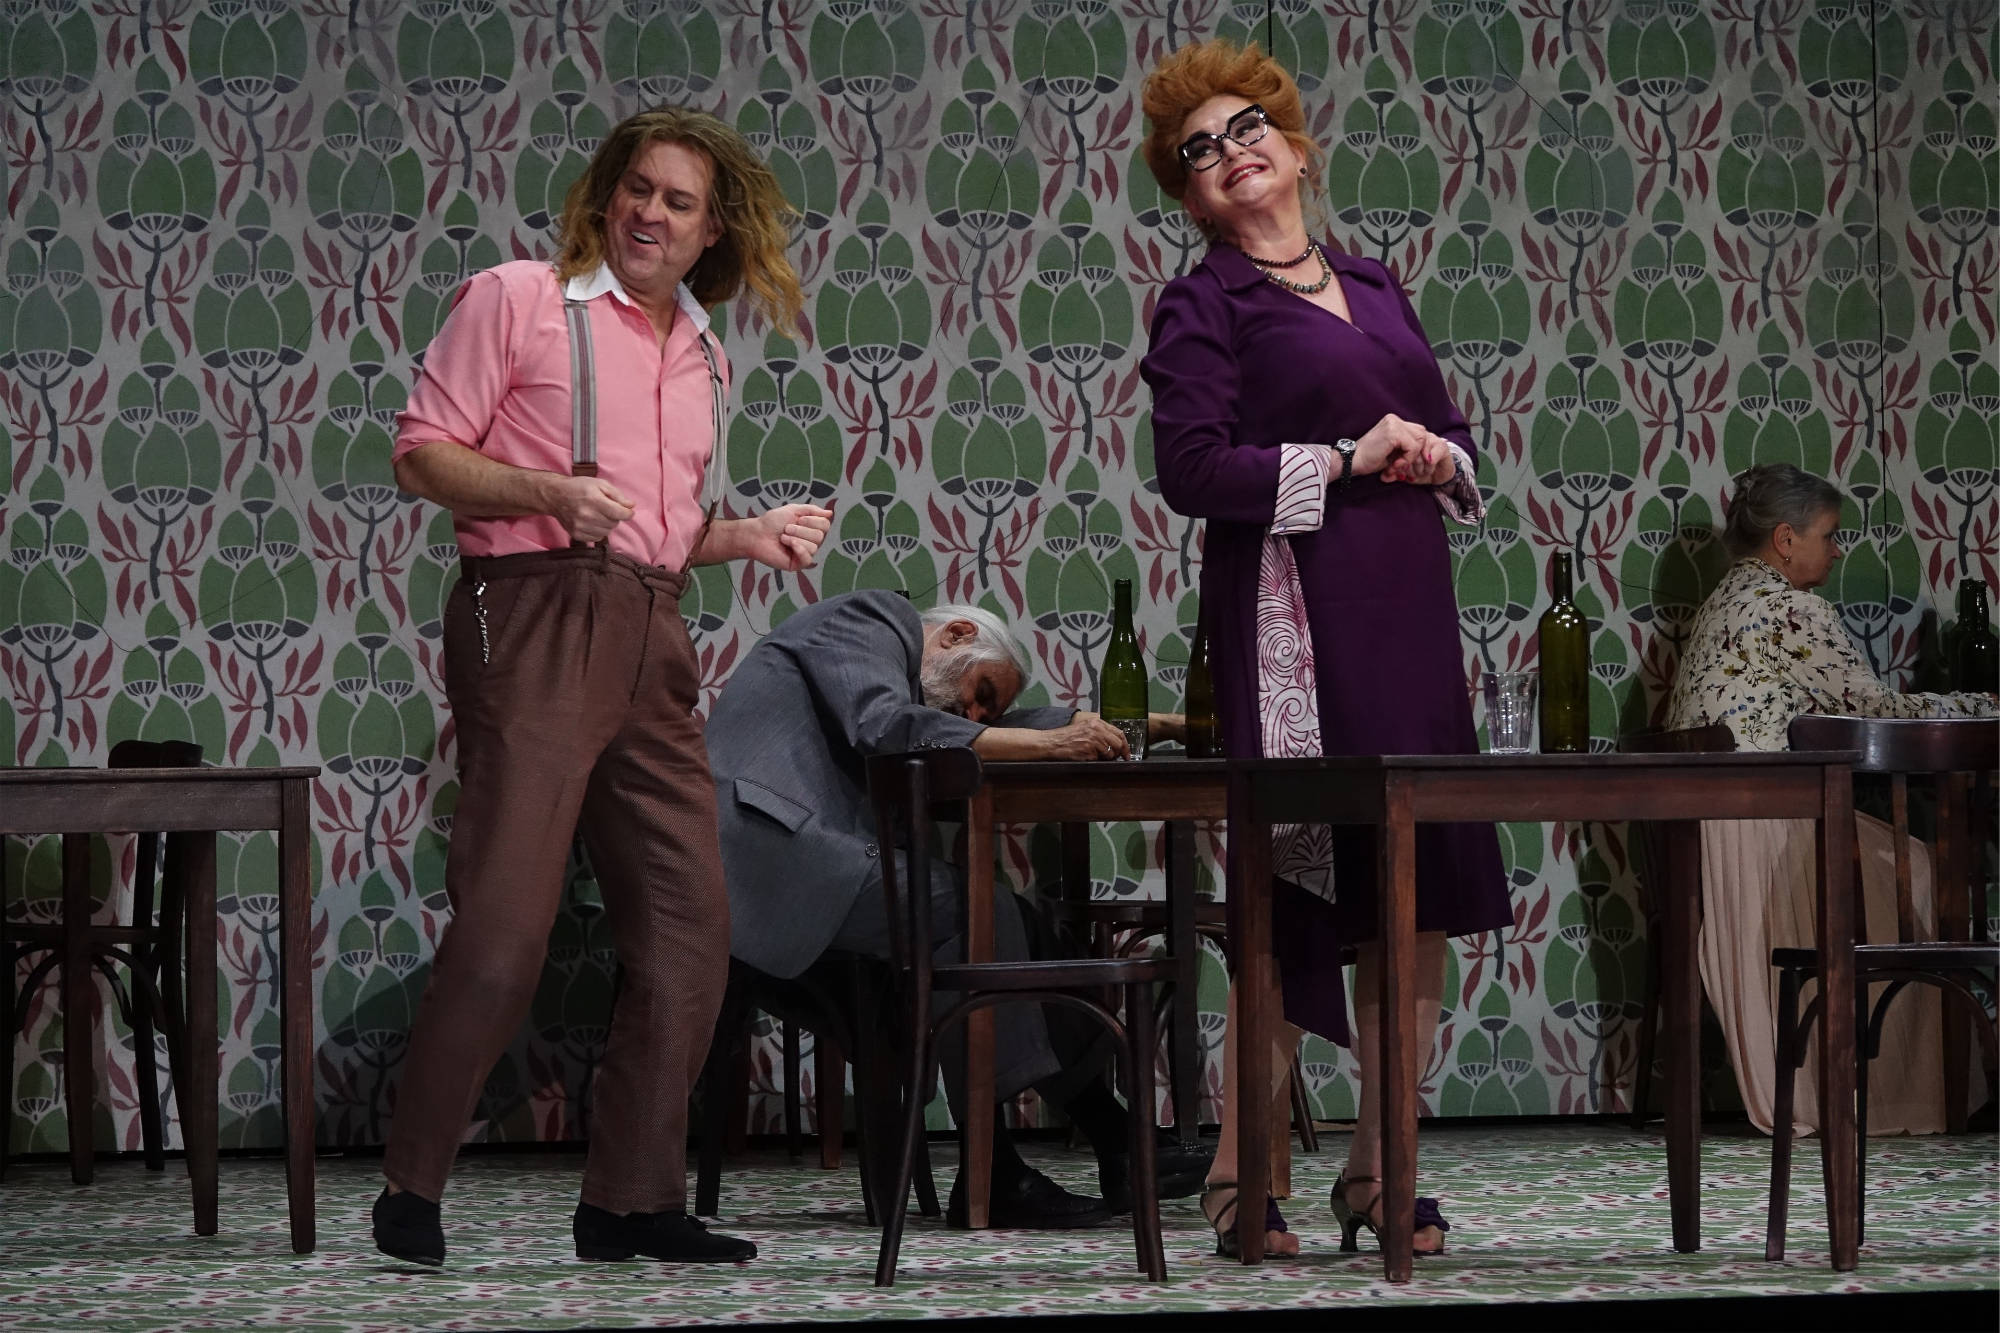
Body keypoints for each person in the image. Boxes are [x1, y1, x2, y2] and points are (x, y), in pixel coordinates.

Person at [375, 107, 833, 1267]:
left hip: (651, 630)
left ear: (709, 230)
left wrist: (747, 535)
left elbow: (658, 535)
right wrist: (545, 488)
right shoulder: (520, 298)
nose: (649, 214)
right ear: (605, 195)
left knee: (690, 926)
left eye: (678, 202)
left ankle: (630, 1200)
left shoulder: (703, 352)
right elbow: (422, 452)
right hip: (534, 615)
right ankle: (410, 1186)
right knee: (505, 930)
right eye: (638, 189)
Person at [1136, 39, 1510, 1258]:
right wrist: (1346, 460)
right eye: (1198, 150)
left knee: (1416, 885)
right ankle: (1240, 1172)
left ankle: (1379, 1169)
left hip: (1408, 608)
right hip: (1292, 615)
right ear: (1192, 196)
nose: (1228, 151)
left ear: (1295, 149)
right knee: (1297, 882)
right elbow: (1191, 470)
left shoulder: (1374, 281)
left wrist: (1435, 455)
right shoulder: (1203, 302)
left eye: (1246, 128)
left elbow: (1450, 430)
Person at [706, 589, 1213, 1227]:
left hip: (818, 859)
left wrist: (1154, 726)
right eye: (980, 694)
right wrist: (1049, 747)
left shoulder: (915, 687)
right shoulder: (871, 619)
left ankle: (1115, 1140)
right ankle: (999, 1173)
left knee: (1026, 925)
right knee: (978, 911)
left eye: (984, 710)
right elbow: (887, 726)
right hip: (768, 858)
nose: (972, 714)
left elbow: (998, 726)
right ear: (956, 636)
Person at [1665, 463, 1996, 1134]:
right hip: (1764, 826)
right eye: (1829, 534)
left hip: (1713, 825)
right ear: (1785, 540)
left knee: (1904, 855)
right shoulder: (1789, 607)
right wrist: (1984, 705)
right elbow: (1876, 710)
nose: (1837, 550)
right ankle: (1903, 1089)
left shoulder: (1723, 600)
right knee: (1921, 868)